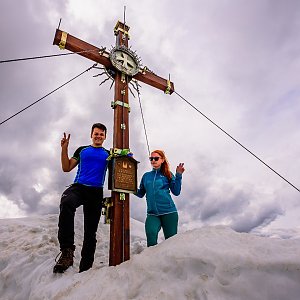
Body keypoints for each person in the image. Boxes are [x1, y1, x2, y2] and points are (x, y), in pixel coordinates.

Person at [53, 123, 109, 274]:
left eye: (101, 134)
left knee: (90, 232)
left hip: (96, 192)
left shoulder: (108, 154)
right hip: (79, 187)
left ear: (105, 137)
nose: (98, 136)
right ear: (91, 135)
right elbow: (66, 167)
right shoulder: (82, 150)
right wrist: (64, 148)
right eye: (96, 133)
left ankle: (85, 269)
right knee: (66, 203)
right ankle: (67, 253)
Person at [135, 150, 185, 247]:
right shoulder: (146, 176)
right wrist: (130, 188)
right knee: (151, 235)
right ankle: (152, 261)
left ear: (162, 160)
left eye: (156, 158)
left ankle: (171, 261)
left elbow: (176, 191)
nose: (153, 160)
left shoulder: (168, 174)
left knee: (171, 243)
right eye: (151, 159)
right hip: (152, 214)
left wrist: (179, 175)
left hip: (169, 213)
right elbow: (141, 193)